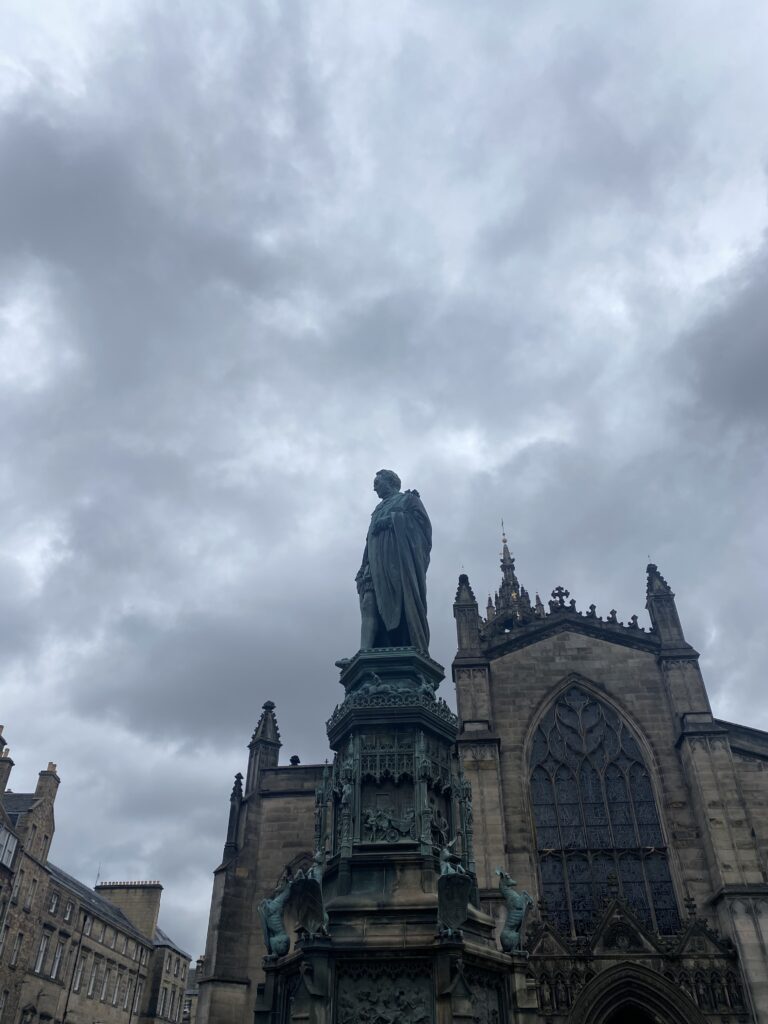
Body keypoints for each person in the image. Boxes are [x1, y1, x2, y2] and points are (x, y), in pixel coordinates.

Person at [356, 470, 432, 651]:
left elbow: (424, 530)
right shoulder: (377, 509)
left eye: (377, 483)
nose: (374, 488)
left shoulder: (408, 500)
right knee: (368, 603)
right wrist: (363, 565)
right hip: (374, 564)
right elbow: (369, 541)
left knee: (404, 604)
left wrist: (392, 520)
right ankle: (364, 651)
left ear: (390, 482)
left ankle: (407, 643)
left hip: (398, 564)